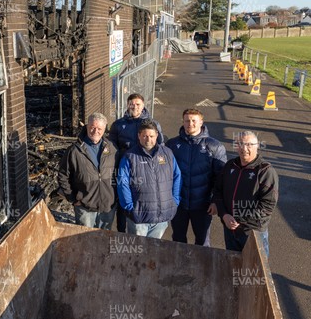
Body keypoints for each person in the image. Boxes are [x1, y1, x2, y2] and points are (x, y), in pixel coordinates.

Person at [166, 109, 227, 246]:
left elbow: (220, 179)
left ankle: (203, 267)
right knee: (178, 240)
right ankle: (180, 266)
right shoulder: (172, 145)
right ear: (183, 122)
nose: (190, 124)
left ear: (201, 122)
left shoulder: (215, 146)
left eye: (194, 120)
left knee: (203, 241)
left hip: (203, 205)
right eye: (187, 120)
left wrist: (215, 201)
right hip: (178, 204)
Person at [213, 131, 278, 256]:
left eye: (249, 144)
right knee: (233, 266)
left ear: (257, 146)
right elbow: (217, 191)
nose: (244, 148)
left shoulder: (265, 171)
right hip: (230, 230)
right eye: (240, 144)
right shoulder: (230, 166)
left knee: (256, 271)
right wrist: (224, 215)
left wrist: (238, 218)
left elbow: (267, 206)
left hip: (253, 232)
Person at [117, 120, 181, 238]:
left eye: (151, 136)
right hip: (139, 218)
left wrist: (175, 200)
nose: (148, 139)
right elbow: (122, 183)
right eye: (144, 136)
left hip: (161, 218)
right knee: (137, 252)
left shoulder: (167, 153)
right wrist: (130, 208)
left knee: (154, 252)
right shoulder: (130, 156)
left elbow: (177, 176)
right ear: (139, 136)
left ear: (157, 135)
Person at [109, 93, 164, 232]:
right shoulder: (118, 124)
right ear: (127, 105)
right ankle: (121, 232)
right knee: (123, 199)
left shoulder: (153, 124)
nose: (134, 107)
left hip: (146, 168)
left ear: (143, 106)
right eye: (132, 104)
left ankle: (144, 228)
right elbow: (111, 148)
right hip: (125, 168)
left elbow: (160, 146)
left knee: (143, 197)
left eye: (138, 104)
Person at [58, 113, 116, 229]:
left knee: (104, 238)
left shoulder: (111, 148)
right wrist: (73, 199)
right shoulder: (74, 150)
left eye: (99, 128)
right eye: (92, 127)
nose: (95, 131)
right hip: (84, 207)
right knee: (85, 240)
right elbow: (63, 176)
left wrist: (115, 197)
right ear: (87, 127)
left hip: (107, 206)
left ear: (104, 129)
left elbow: (119, 173)